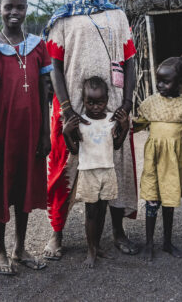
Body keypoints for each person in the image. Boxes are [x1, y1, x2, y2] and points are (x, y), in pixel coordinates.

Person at [42, 0, 139, 260]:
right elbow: (54, 67)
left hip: (111, 107)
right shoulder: (64, 18)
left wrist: (125, 104)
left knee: (115, 166)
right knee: (64, 169)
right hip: (72, 108)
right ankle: (57, 234)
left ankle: (118, 232)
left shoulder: (118, 17)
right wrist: (67, 109)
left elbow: (130, 60)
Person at [0, 0, 53, 275]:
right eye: (9, 6)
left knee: (24, 188)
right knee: (1, 188)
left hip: (31, 133)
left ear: (26, 10)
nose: (14, 12)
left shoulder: (37, 46)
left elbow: (45, 91)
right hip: (3, 134)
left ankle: (20, 248)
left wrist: (45, 134)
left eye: (20, 7)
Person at [62, 77, 130, 268]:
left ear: (107, 100)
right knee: (91, 213)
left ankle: (97, 246)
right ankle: (90, 250)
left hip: (107, 171)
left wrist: (123, 128)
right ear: (83, 100)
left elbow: (117, 146)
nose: (95, 107)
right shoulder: (80, 122)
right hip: (88, 173)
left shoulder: (111, 120)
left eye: (100, 102)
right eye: (90, 102)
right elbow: (74, 150)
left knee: (101, 211)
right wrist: (67, 133)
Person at [133, 56, 182, 262]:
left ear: (179, 83)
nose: (160, 85)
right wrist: (123, 124)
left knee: (168, 202)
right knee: (151, 201)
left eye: (165, 82)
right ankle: (149, 243)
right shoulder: (150, 103)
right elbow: (138, 124)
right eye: (158, 80)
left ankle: (167, 242)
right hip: (153, 162)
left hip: (174, 164)